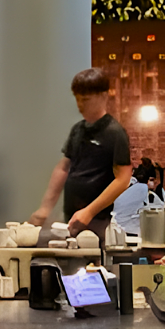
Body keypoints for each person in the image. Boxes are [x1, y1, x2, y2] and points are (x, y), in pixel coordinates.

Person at [29, 68, 132, 236]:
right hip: (72, 217)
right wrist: (45, 208)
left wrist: (89, 211)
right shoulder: (77, 130)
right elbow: (63, 168)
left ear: (103, 96)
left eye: (85, 99)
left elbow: (123, 179)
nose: (80, 105)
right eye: (77, 99)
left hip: (98, 220)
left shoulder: (114, 132)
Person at [112, 159, 163, 233]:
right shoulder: (143, 188)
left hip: (115, 228)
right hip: (131, 231)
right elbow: (160, 210)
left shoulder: (123, 184)